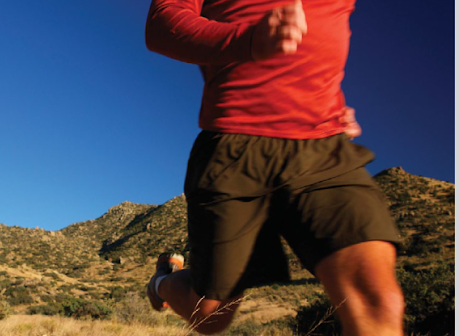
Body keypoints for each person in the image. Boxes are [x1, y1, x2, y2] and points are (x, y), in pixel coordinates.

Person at [144, 1, 405, 335]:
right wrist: (249, 40)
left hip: (323, 144)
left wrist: (327, 95)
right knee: (209, 315)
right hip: (234, 145)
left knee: (378, 300)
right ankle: (162, 283)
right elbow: (163, 24)